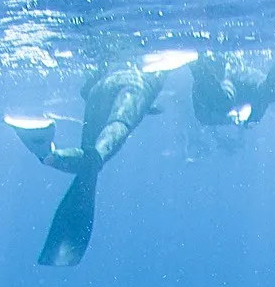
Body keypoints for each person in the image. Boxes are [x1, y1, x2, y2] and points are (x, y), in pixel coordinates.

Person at [9, 61, 164, 266]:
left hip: (100, 88)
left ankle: (46, 151)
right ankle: (52, 156)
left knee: (88, 163)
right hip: (136, 86)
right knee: (105, 144)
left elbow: (87, 86)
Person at [190, 50, 275, 130]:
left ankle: (197, 62)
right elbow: (263, 101)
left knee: (223, 101)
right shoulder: (255, 112)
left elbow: (203, 115)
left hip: (223, 79)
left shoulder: (210, 113)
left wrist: (231, 118)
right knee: (271, 93)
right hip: (239, 80)